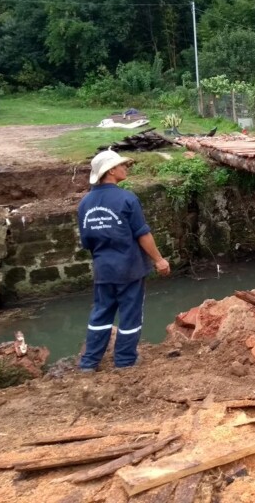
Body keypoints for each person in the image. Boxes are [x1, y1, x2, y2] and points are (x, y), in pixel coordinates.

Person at [77, 150, 170, 371]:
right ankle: (125, 360)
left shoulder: (85, 203)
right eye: (122, 165)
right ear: (110, 171)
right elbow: (142, 234)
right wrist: (159, 260)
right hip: (129, 268)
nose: (125, 168)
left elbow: (87, 241)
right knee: (130, 315)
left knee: (100, 314)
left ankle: (89, 363)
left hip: (103, 270)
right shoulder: (127, 198)